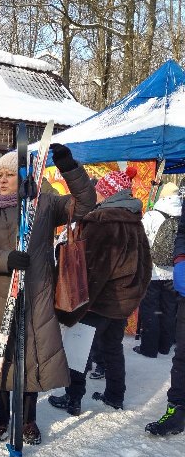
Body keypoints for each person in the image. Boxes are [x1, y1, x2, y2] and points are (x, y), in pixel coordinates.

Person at [0, 144, 96, 444]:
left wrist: (69, 168)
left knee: (31, 359)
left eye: (10, 174)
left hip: (36, 296)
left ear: (24, 177)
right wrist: (6, 259)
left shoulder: (45, 205)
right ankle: (0, 417)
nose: (2, 180)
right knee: (0, 358)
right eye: (0, 175)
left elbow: (85, 204)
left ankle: (28, 421)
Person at [49, 166, 152, 415]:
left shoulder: (102, 222)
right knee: (112, 348)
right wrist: (134, 294)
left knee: (78, 349)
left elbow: (93, 271)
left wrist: (76, 309)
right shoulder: (134, 220)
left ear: (107, 193)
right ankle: (115, 396)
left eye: (99, 190)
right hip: (122, 301)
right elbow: (145, 265)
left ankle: (73, 398)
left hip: (97, 301)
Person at [146, 195, 185, 435]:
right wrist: (180, 259)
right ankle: (176, 409)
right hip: (180, 282)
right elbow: (183, 232)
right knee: (182, 354)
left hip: (158, 275)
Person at [134, 181, 180, 357]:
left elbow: (140, 241)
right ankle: (165, 346)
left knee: (151, 310)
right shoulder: (181, 215)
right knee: (169, 309)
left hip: (153, 271)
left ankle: (149, 348)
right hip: (174, 272)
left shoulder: (152, 215)